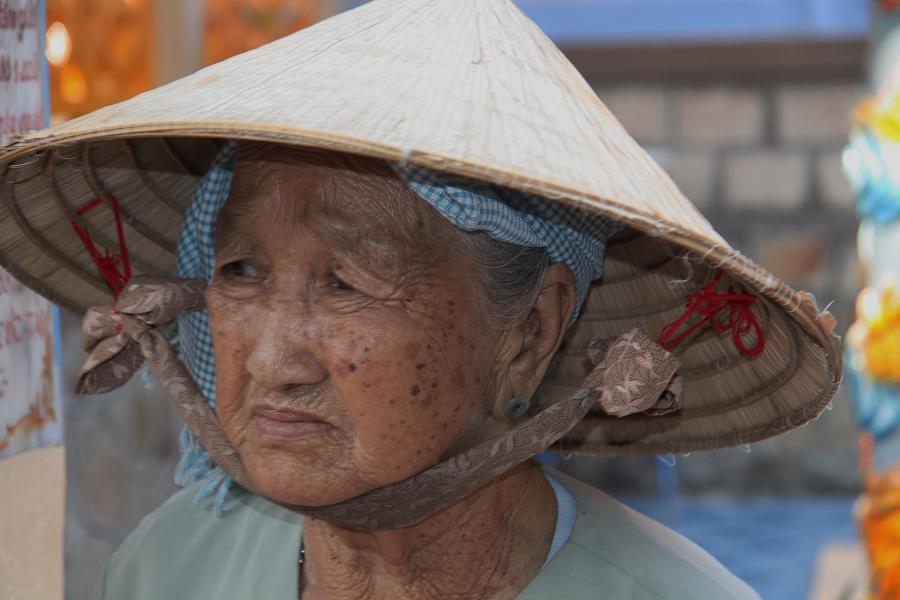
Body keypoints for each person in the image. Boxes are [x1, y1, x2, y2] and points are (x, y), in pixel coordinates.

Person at [0, 0, 840, 598]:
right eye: (241, 272)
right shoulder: (166, 572)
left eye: (344, 283)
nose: (269, 360)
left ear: (529, 331)